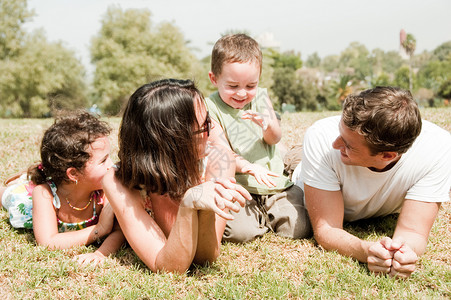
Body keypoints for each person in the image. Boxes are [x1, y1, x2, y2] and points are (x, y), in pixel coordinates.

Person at [292, 86, 451, 278]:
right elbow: (327, 230)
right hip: (304, 172)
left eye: (348, 145)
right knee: (289, 159)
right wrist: (364, 250)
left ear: (387, 155)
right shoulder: (322, 138)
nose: (336, 144)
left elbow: (413, 232)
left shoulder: (439, 149)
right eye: (340, 133)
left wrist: (403, 253)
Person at [102, 79, 251, 273]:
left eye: (208, 121)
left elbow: (205, 258)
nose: (212, 131)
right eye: (203, 126)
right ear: (172, 140)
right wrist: (189, 203)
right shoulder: (118, 181)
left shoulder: (219, 161)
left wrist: (203, 209)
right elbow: (167, 268)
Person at [205, 33, 311, 243]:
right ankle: (258, 217)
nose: (242, 93)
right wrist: (250, 168)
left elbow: (274, 138)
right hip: (240, 184)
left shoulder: (261, 98)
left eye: (250, 86)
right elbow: (221, 152)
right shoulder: (210, 107)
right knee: (239, 234)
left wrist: (268, 125)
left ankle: (292, 158)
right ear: (214, 79)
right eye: (233, 86)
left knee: (299, 228)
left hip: (272, 181)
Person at [0, 112, 124, 265]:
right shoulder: (45, 194)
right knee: (10, 195)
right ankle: (22, 180)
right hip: (28, 203)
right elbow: (48, 242)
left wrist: (101, 253)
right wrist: (100, 229)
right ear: (73, 173)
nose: (111, 165)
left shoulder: (104, 192)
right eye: (103, 160)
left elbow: (119, 231)